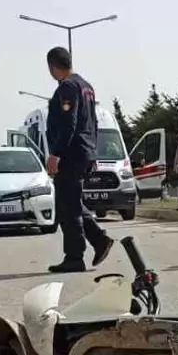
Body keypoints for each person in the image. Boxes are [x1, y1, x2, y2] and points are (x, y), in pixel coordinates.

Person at [43, 46, 115, 273]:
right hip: (83, 152)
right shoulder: (86, 86)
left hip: (71, 154)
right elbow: (92, 123)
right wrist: (92, 151)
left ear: (52, 66)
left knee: (67, 207)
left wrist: (55, 153)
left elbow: (69, 123)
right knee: (72, 202)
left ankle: (74, 257)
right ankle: (99, 239)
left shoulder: (68, 86)